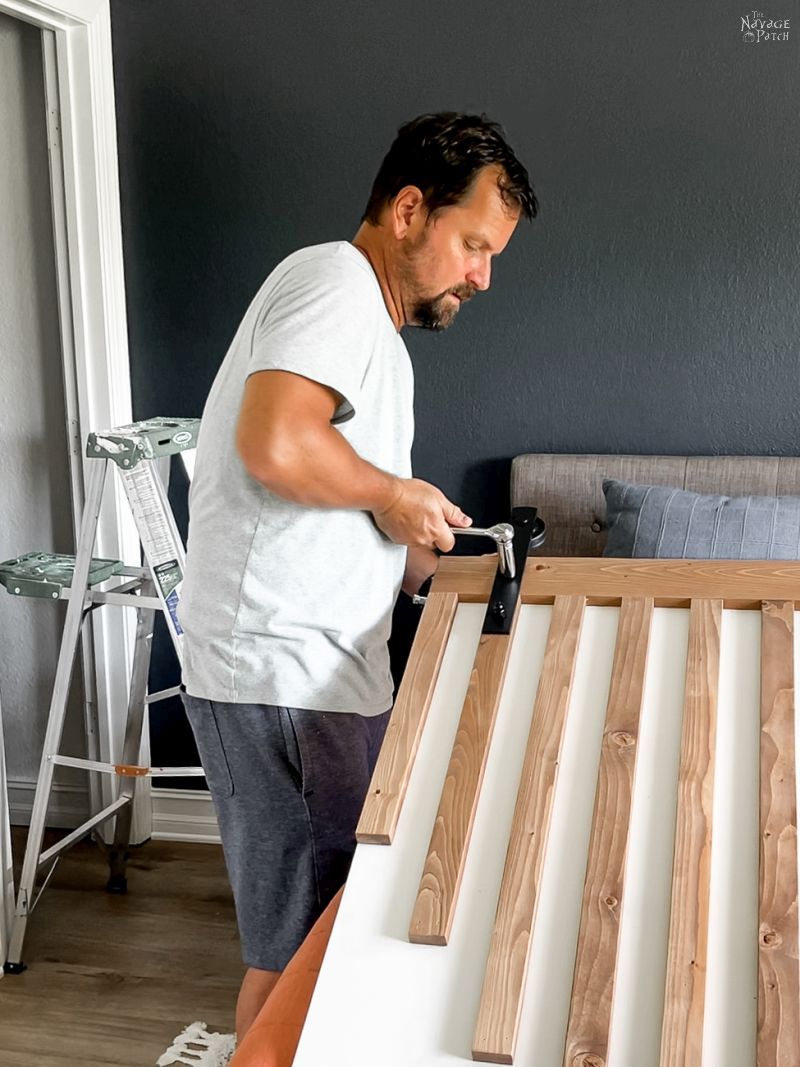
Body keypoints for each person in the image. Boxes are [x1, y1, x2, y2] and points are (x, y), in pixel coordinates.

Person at [178, 111, 537, 1039]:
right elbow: (275, 441)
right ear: (409, 209)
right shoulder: (336, 284)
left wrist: (428, 555)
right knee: (302, 952)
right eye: (472, 245)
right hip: (285, 675)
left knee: (317, 941)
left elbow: (348, 500)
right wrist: (392, 493)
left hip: (313, 674)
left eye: (493, 255)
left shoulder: (370, 328)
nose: (481, 275)